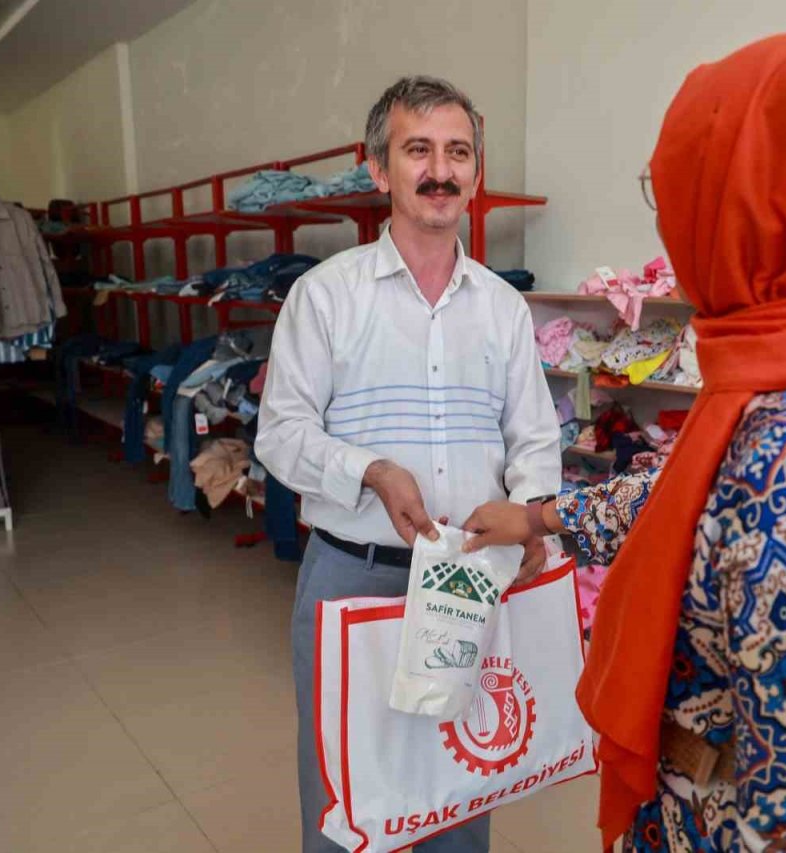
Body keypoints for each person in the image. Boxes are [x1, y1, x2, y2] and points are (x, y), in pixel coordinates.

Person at [462, 26, 786, 851]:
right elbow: (688, 499)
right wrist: (545, 519)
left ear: (754, 213)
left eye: (681, 191)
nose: (669, 226)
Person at [256, 75, 561, 853]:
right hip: (351, 575)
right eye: (417, 149)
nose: (440, 170)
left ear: (476, 173)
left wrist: (531, 513)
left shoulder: (500, 306)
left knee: (459, 786)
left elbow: (533, 438)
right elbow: (280, 434)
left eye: (458, 152)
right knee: (347, 799)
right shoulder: (325, 297)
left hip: (466, 579)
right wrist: (369, 470)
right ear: (377, 169)